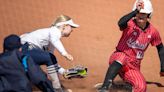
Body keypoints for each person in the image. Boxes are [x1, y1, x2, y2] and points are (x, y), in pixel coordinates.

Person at [98, 0, 164, 92]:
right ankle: (104, 87)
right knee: (122, 57)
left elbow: (160, 47)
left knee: (141, 88)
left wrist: (163, 66)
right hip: (118, 58)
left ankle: (117, 87)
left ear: (149, 15)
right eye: (139, 13)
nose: (140, 15)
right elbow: (120, 23)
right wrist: (134, 11)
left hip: (133, 66)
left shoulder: (153, 32)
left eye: (144, 13)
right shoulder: (129, 24)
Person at [20, 15, 79, 91]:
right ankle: (57, 89)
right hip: (22, 51)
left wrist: (64, 72)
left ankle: (57, 89)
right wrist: (65, 53)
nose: (72, 30)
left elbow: (51, 60)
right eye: (71, 27)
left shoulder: (51, 36)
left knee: (42, 75)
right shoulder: (54, 31)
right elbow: (55, 42)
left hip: (27, 53)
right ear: (65, 26)